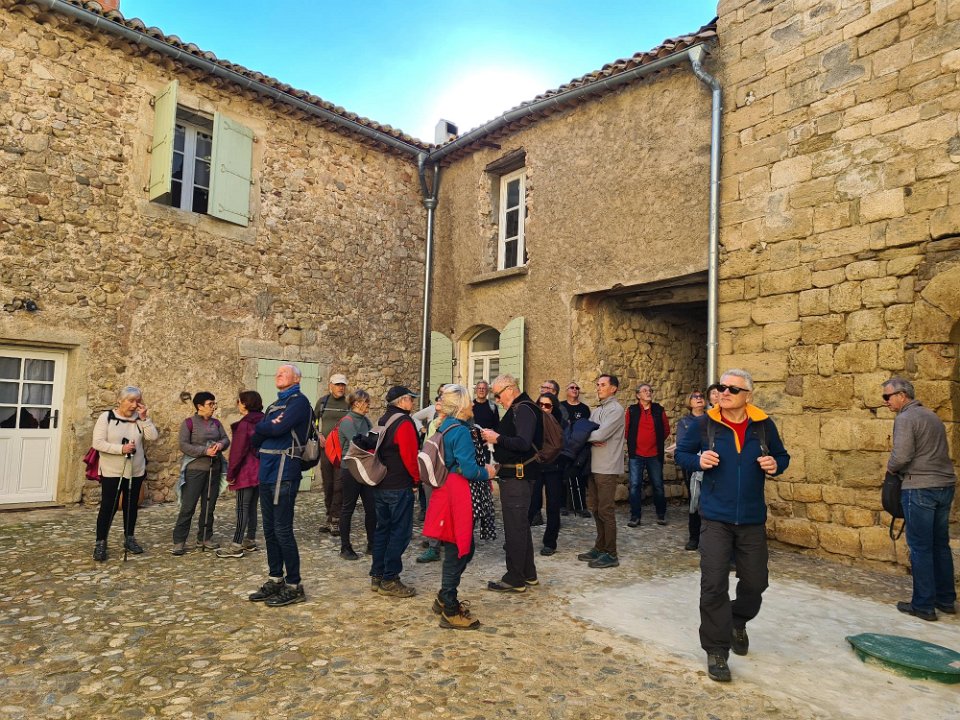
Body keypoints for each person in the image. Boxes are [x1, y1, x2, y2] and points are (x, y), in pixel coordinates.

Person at [675, 368, 789, 683]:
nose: (724, 392)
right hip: (715, 518)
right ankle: (716, 650)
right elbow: (682, 454)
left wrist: (775, 465)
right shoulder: (704, 424)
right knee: (713, 584)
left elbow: (782, 456)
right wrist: (697, 461)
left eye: (732, 389)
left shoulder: (763, 425)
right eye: (721, 387)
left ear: (748, 395)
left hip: (751, 519)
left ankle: (737, 620)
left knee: (756, 583)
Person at [423, 384, 498, 629]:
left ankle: (444, 598)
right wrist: (487, 472)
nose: (473, 404)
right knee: (458, 551)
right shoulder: (461, 432)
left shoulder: (446, 426)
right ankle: (450, 608)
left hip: (447, 491)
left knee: (459, 549)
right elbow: (468, 469)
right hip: (458, 494)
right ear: (461, 405)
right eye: (469, 400)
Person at [883, 376, 957, 621]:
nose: (885, 401)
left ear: (902, 395)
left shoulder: (905, 418)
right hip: (944, 486)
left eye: (887, 396)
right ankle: (945, 599)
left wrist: (890, 468)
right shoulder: (931, 416)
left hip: (920, 487)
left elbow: (902, 455)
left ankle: (923, 605)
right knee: (940, 544)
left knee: (920, 547)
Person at [248, 364, 312, 607]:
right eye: (276, 373)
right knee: (269, 530)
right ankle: (276, 578)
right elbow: (256, 438)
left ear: (296, 379)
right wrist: (266, 428)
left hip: (284, 472)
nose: (278, 375)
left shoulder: (299, 402)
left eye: (284, 373)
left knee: (282, 530)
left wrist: (265, 427)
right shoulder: (275, 405)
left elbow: (276, 427)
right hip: (267, 472)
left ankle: (294, 584)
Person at [482, 373, 540, 592]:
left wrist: (496, 438)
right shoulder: (521, 408)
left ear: (509, 389)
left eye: (498, 395)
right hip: (515, 476)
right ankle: (528, 573)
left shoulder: (523, 409)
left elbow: (523, 443)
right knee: (520, 526)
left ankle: (515, 578)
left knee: (515, 528)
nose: (497, 401)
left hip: (518, 479)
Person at [91, 386, 158, 561]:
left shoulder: (140, 419)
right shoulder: (106, 417)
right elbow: (97, 443)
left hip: (135, 470)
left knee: (131, 506)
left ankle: (129, 538)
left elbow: (152, 437)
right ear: (120, 400)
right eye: (130, 401)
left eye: (138, 401)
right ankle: (100, 542)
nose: (134, 405)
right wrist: (121, 449)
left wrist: (145, 419)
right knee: (109, 506)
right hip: (112, 470)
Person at [370, 385, 421, 598]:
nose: (413, 402)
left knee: (383, 530)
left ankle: (377, 574)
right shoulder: (404, 422)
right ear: (401, 401)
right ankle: (390, 579)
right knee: (400, 532)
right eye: (410, 399)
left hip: (381, 483)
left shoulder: (383, 420)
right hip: (399, 485)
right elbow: (410, 456)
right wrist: (416, 480)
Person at [172, 392, 230, 555]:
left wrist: (220, 445)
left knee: (209, 506)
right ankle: (179, 541)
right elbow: (183, 445)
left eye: (214, 404)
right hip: (195, 471)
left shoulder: (216, 423)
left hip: (214, 470)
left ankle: (205, 538)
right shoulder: (189, 423)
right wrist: (205, 451)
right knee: (188, 506)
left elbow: (226, 439)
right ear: (200, 406)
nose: (214, 407)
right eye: (210, 404)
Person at [577, 374, 625, 569]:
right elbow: (588, 431)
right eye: (597, 384)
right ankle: (600, 547)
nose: (598, 387)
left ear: (613, 388)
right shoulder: (597, 410)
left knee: (606, 510)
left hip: (607, 466)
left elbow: (601, 434)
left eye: (603, 384)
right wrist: (588, 435)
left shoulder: (616, 410)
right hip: (593, 465)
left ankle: (611, 554)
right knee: (596, 509)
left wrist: (585, 436)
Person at [216, 391, 265, 559]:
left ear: (244, 404)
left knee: (242, 507)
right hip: (261, 469)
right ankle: (250, 540)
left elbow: (237, 452)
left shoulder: (245, 425)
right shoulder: (264, 420)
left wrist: (231, 474)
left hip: (246, 471)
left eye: (239, 402)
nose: (238, 404)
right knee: (252, 506)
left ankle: (236, 545)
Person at [626, 383, 671, 527]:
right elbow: (626, 431)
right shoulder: (632, 410)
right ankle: (635, 516)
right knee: (634, 485)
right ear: (638, 395)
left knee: (658, 485)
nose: (648, 392)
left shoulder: (658, 409)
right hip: (636, 454)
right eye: (645, 390)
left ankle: (661, 514)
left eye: (650, 390)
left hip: (654, 454)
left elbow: (666, 430)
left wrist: (656, 442)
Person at [337, 389, 375, 561]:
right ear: (357, 403)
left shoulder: (365, 420)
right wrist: (370, 440)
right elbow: (359, 443)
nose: (368, 405)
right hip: (350, 469)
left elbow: (373, 439)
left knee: (371, 508)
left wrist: (370, 440)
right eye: (366, 402)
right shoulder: (347, 421)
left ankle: (372, 544)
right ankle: (345, 547)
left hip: (365, 468)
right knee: (348, 508)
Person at [530, 392, 565, 556]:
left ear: (553, 407)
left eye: (547, 405)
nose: (543, 408)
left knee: (553, 506)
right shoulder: (533, 420)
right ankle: (519, 539)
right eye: (540, 404)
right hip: (536, 467)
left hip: (554, 467)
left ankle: (550, 543)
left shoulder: (559, 422)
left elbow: (562, 444)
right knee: (531, 503)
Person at [316, 373, 350, 536]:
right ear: (330, 385)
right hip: (326, 451)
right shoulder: (323, 402)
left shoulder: (349, 403)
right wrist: (318, 435)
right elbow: (314, 421)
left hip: (343, 451)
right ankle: (329, 516)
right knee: (328, 485)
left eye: (342, 385)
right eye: (337, 384)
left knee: (339, 486)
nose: (340, 387)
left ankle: (336, 520)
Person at [674, 390, 706, 551]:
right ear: (689, 401)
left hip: (711, 465)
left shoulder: (711, 419)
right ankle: (694, 537)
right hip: (693, 466)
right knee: (695, 499)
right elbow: (682, 444)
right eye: (695, 397)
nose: (699, 399)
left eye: (701, 397)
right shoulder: (685, 422)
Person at [560, 381, 591, 517]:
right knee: (562, 477)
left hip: (580, 447)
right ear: (567, 391)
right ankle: (562, 506)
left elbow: (587, 426)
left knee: (579, 476)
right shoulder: (560, 407)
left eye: (577, 388)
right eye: (572, 387)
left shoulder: (584, 409)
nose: (575, 389)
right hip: (564, 446)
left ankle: (580, 506)